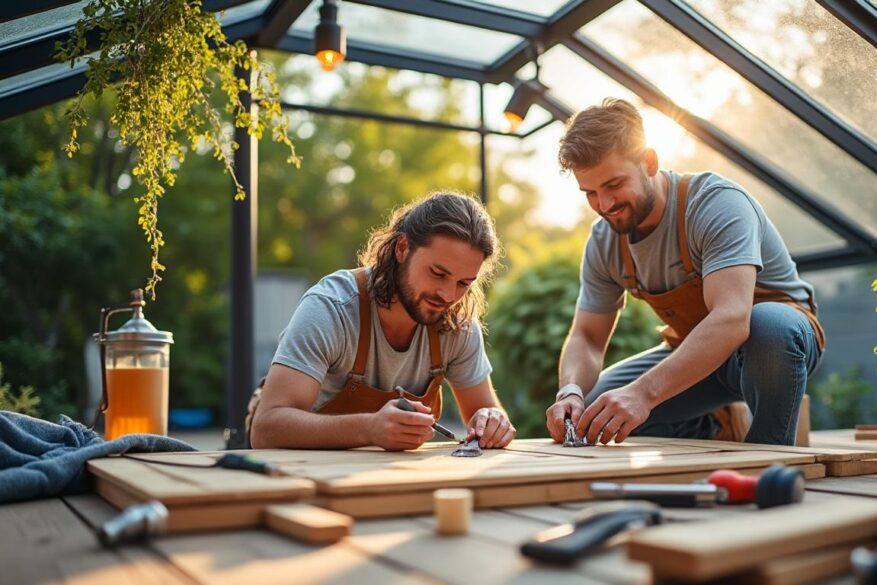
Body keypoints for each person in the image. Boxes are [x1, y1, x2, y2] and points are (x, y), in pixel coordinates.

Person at [545, 99, 825, 447]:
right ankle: (715, 427)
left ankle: (770, 452)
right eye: (591, 192)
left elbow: (732, 319)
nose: (605, 205)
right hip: (696, 358)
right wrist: (569, 392)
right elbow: (586, 336)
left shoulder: (716, 204)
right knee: (597, 409)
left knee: (768, 325)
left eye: (614, 184)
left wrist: (644, 394)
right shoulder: (604, 242)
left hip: (773, 350)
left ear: (649, 162)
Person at [249, 192, 515, 451]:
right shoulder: (331, 308)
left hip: (392, 481)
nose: (448, 295)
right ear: (402, 248)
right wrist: (369, 429)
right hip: (304, 478)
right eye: (437, 273)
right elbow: (266, 428)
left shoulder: (457, 323)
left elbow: (482, 413)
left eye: (463, 283)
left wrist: (492, 421)